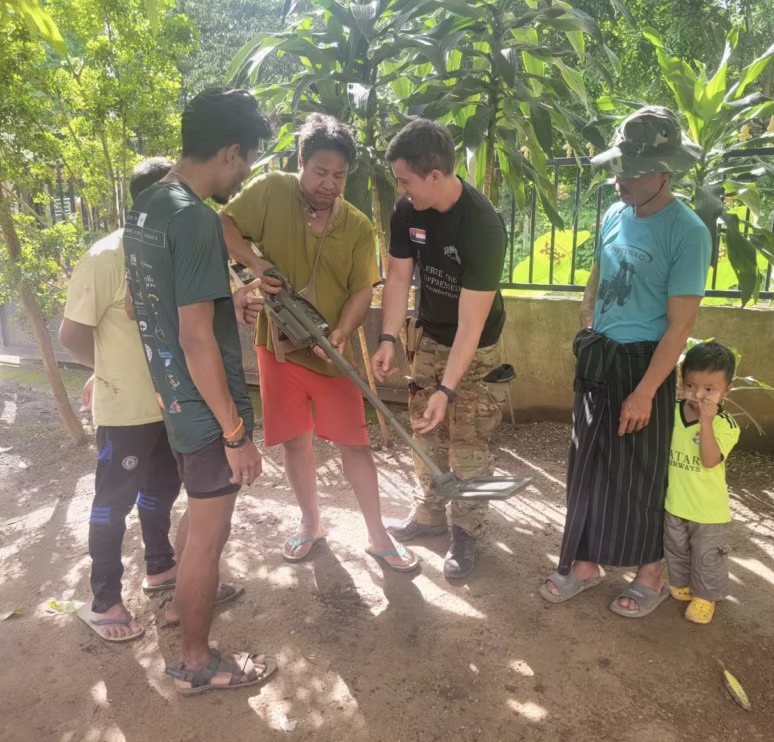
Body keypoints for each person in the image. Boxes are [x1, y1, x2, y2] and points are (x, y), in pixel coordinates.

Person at [123, 87, 277, 694]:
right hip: (205, 405)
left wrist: (231, 294)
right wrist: (236, 434)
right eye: (246, 162)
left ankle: (175, 610)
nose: (243, 176)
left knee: (199, 517)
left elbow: (160, 303)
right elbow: (196, 340)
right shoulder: (192, 217)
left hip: (173, 396)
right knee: (211, 534)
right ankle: (195, 663)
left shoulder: (152, 204)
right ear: (230, 151)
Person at [218, 113, 417, 573]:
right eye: (321, 172)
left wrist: (343, 334)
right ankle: (311, 522)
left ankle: (377, 533)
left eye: (340, 176)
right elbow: (223, 223)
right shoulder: (269, 192)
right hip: (279, 347)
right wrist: (253, 261)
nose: (330, 184)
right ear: (300, 162)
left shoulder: (358, 226)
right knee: (294, 442)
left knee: (355, 442)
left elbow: (361, 290)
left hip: (332, 354)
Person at [540, 105, 711, 617]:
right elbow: (599, 269)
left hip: (645, 365)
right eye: (619, 167)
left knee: (638, 473)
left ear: (665, 172)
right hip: (600, 356)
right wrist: (586, 315)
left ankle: (650, 576)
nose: (620, 179)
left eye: (633, 171)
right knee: (587, 464)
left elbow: (681, 326)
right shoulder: (616, 212)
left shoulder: (688, 232)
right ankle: (586, 563)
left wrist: (644, 391)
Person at [371, 118, 507, 580]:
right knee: (425, 432)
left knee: (468, 442)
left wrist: (447, 390)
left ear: (435, 175)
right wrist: (388, 336)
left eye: (406, 180)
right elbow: (399, 277)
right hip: (427, 336)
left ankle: (465, 533)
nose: (402, 189)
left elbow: (471, 326)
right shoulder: (408, 211)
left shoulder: (483, 225)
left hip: (476, 347)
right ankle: (429, 515)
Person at [60, 157, 184, 643]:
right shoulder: (106, 257)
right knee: (115, 501)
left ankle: (159, 567)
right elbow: (72, 334)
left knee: (161, 491)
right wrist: (103, 371)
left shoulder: (172, 253)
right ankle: (104, 598)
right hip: (124, 408)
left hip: (166, 406)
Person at [664, 341, 740, 625]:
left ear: (726, 390)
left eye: (709, 389)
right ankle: (684, 586)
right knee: (677, 549)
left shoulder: (725, 424)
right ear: (682, 381)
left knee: (707, 556)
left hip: (709, 511)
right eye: (692, 385)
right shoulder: (671, 411)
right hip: (675, 503)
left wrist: (705, 423)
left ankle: (705, 597)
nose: (698, 395)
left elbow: (709, 460)